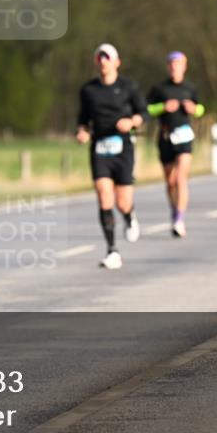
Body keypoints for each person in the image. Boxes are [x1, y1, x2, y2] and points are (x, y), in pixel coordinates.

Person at [76, 43, 146, 269]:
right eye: (99, 57)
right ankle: (112, 250)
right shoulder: (88, 90)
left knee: (123, 201)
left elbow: (143, 113)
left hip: (123, 147)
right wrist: (82, 132)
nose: (103, 61)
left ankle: (129, 216)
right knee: (104, 194)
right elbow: (83, 119)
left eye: (107, 57)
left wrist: (132, 122)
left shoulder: (128, 87)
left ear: (117, 62)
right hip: (100, 149)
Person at [146, 51, 204, 237]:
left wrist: (193, 109)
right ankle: (174, 210)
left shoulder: (190, 89)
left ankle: (180, 219)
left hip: (184, 136)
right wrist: (162, 107)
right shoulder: (159, 89)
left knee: (181, 178)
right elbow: (145, 110)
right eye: (172, 64)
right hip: (165, 137)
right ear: (168, 66)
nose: (174, 67)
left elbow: (201, 109)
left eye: (178, 64)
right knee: (170, 182)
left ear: (184, 67)